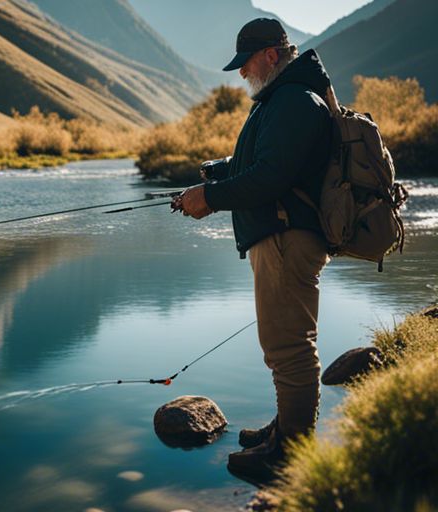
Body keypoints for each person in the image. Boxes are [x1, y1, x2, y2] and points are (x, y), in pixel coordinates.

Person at [171, 18, 333, 483]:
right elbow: (270, 162)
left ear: (270, 55)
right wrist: (222, 170)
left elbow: (271, 177)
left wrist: (209, 197)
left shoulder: (293, 100)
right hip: (280, 236)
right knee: (283, 343)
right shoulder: (285, 98)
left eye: (246, 63)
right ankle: (286, 430)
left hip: (286, 238)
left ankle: (290, 454)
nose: (241, 72)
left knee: (288, 347)